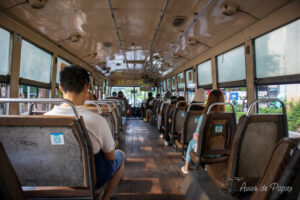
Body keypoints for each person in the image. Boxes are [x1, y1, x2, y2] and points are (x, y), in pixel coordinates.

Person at [44, 65, 125, 200]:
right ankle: (105, 197)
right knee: (120, 155)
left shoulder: (45, 118)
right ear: (86, 88)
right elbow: (110, 157)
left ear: (60, 88)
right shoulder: (97, 120)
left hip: (53, 175)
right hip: (91, 179)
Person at [181, 89, 225, 174]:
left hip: (206, 150)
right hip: (222, 151)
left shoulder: (205, 116)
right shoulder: (228, 118)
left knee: (191, 143)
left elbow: (197, 135)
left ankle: (186, 167)